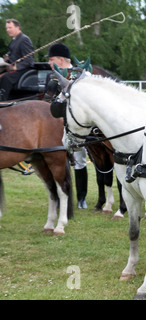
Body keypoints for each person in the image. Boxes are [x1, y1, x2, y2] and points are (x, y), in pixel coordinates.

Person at [46, 42, 89, 209]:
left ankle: (81, 198)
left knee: (79, 160)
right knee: (56, 161)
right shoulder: (52, 76)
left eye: (52, 60)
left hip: (76, 125)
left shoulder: (80, 73)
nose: (49, 63)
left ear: (61, 60)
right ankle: (60, 196)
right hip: (56, 124)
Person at [0, 19, 34, 101]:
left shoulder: (24, 39)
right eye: (7, 28)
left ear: (17, 27)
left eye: (10, 28)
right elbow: (13, 54)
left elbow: (29, 60)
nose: (8, 30)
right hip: (11, 67)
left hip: (23, 69)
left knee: (6, 78)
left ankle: (2, 99)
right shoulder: (14, 40)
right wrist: (6, 58)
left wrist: (15, 67)